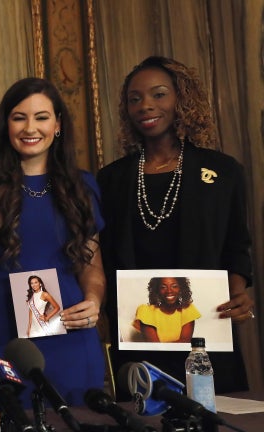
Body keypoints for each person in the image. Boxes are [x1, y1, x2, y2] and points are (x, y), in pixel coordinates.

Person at [97, 56, 254, 395]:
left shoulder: (223, 172)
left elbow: (236, 246)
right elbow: (103, 256)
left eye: (159, 94)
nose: (146, 106)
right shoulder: (111, 179)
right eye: (134, 99)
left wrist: (239, 292)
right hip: (139, 335)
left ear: (181, 99)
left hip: (205, 332)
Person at [0, 77, 106, 407]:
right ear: (6, 125)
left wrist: (94, 300)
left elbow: (92, 264)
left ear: (58, 125)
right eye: (19, 117)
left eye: (41, 117)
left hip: (70, 334)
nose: (31, 127)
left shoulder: (81, 185)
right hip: (0, 335)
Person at [133, 277, 200, 343]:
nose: (169, 291)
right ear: (157, 290)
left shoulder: (187, 309)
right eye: (163, 287)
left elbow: (184, 343)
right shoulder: (146, 311)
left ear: (181, 288)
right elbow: (154, 347)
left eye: (174, 286)